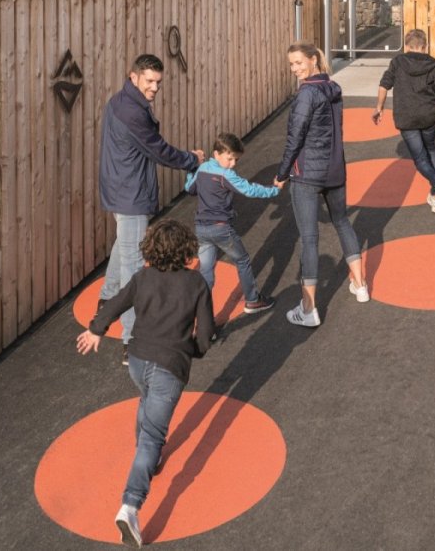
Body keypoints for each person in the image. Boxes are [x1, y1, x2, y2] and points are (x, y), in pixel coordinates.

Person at [77, 219, 215, 549]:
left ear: (151, 249)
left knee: (146, 399)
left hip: (138, 360)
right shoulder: (196, 284)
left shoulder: (142, 278)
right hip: (170, 365)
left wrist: (96, 330)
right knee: (153, 438)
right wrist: (193, 351)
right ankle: (131, 505)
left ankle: (147, 457)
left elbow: (115, 303)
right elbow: (206, 334)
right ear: (186, 250)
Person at [99, 54, 204, 363]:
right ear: (133, 77)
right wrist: (192, 160)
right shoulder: (133, 112)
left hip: (119, 187)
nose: (155, 87)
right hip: (131, 193)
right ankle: (130, 340)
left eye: (158, 82)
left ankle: (107, 298)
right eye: (149, 81)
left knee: (124, 244)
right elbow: (159, 151)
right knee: (134, 266)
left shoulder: (119, 101)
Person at [274, 42, 368, 328]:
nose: (294, 68)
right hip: (335, 171)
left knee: (309, 238)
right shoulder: (333, 87)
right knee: (342, 222)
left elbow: (295, 138)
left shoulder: (307, 93)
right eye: (291, 64)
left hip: (307, 174)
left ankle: (308, 308)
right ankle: (360, 285)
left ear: (313, 60)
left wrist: (282, 173)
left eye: (298, 62)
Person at [185, 132, 280, 315]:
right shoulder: (225, 175)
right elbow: (249, 190)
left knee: (206, 271)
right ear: (216, 154)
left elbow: (189, 188)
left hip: (201, 229)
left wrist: (191, 170)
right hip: (221, 229)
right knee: (242, 260)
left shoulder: (202, 169)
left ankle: (202, 313)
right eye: (230, 159)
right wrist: (274, 190)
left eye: (236, 160)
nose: (233, 164)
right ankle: (252, 300)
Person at [372, 28, 435, 215]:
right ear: (425, 46)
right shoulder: (434, 65)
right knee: (431, 150)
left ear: (406, 46)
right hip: (427, 116)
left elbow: (384, 85)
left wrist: (379, 107)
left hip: (406, 118)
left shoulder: (398, 62)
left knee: (420, 159)